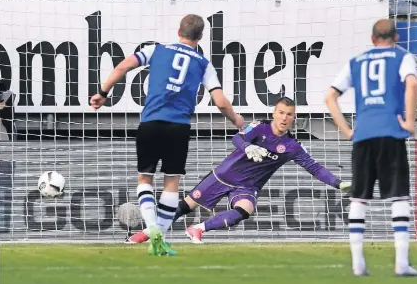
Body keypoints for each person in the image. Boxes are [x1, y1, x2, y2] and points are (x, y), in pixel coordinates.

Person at [90, 14, 244, 256]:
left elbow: (123, 66)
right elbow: (220, 101)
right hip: (178, 128)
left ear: (178, 31)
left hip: (151, 123)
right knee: (171, 183)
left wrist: (103, 92)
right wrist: (236, 120)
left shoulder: (156, 50)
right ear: (201, 37)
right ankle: (157, 234)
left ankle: (153, 229)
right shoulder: (204, 64)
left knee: (145, 179)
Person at [127, 96, 351, 244]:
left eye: (289, 114)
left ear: (294, 118)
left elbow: (315, 168)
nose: (284, 117)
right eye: (281, 112)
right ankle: (142, 235)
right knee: (185, 206)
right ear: (274, 113)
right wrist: (248, 146)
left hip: (247, 186)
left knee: (245, 209)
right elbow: (237, 138)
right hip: (224, 175)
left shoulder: (292, 146)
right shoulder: (259, 126)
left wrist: (339, 184)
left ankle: (198, 229)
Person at [325, 19, 417, 277]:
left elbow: (330, 96)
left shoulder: (356, 60)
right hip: (391, 133)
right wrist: (410, 121)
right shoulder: (403, 57)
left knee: (359, 197)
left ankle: (358, 263)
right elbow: (412, 84)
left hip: (364, 135)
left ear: (372, 38)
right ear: (396, 37)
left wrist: (346, 130)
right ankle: (401, 263)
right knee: (399, 196)